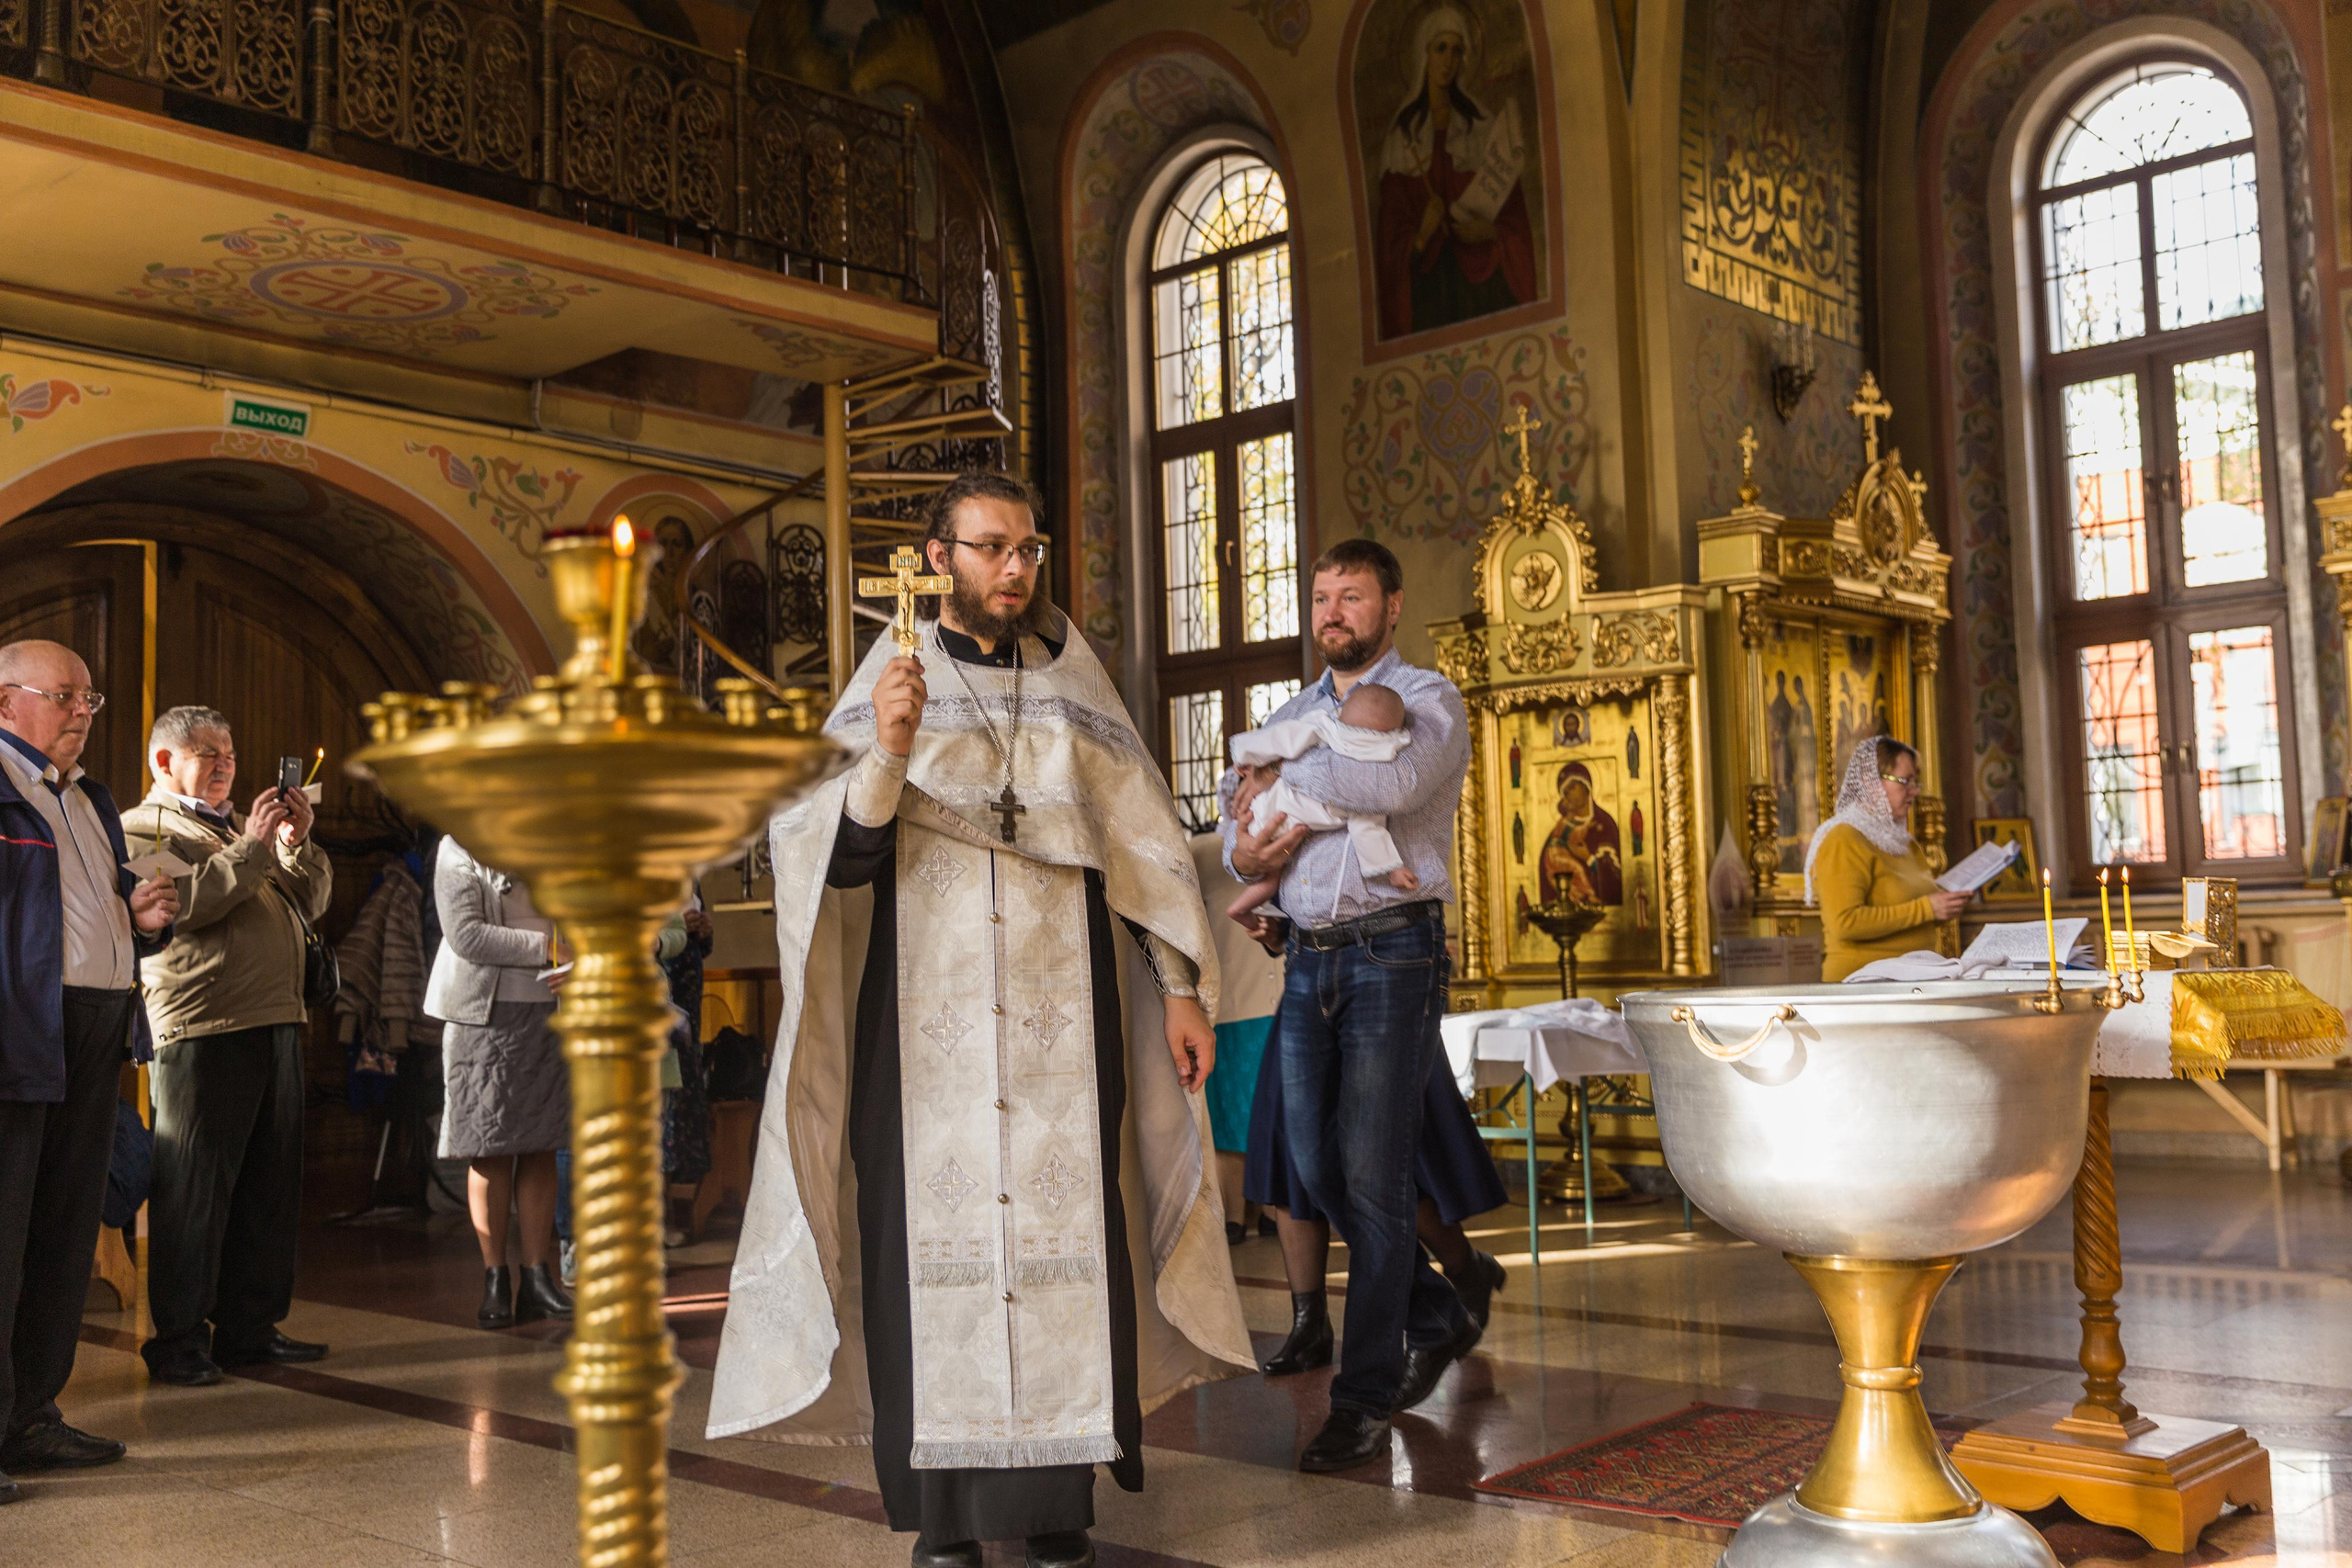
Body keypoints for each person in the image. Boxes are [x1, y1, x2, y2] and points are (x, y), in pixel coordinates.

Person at [708, 471, 1251, 1568]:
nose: (1014, 569)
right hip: (922, 1036)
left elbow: (1139, 856)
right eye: (991, 548)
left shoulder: (1075, 692)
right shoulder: (886, 685)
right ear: (937, 557)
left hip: (1064, 1033)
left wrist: (1182, 991)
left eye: (1027, 549)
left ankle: (1056, 1513)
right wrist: (893, 752)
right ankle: (947, 1523)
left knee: (1068, 1238)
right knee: (928, 1251)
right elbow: (838, 865)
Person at [1221, 537, 1476, 1474]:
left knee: (1371, 1176)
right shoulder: (1289, 712)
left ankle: (1362, 1398)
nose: (1332, 612)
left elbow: (1391, 781)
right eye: (1322, 597)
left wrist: (1275, 789)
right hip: (1301, 959)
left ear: (1391, 605)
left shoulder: (1429, 701)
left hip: (1392, 952)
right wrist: (1243, 857)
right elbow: (1229, 828)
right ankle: (1434, 1305)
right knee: (1314, 1164)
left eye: (1352, 597)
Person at [0, 640, 178, 1501]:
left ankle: (30, 1416)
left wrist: (140, 916)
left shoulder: (92, 799)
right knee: (4, 1238)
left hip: (96, 1029)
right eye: (63, 695)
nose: (81, 711)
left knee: (64, 1234)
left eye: (88, 697)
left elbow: (98, 908)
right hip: (18, 1033)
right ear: (6, 704)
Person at [122, 705, 333, 1385]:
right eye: (208, 753)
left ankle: (250, 1328)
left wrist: (295, 842)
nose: (225, 765)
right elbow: (185, 902)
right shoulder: (142, 826)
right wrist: (252, 845)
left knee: (269, 1186)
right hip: (203, 1026)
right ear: (164, 762)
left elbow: (312, 900)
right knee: (194, 1191)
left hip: (274, 1017)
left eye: (231, 754)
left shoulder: (239, 830)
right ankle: (179, 1338)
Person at [424, 838, 574, 1330]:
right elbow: (467, 935)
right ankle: (495, 1277)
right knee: (489, 1147)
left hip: (549, 1013)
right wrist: (550, 947)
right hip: (483, 1019)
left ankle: (536, 1277)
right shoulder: (457, 846)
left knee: (541, 1146)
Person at [1374, 6, 1535, 338]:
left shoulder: (1482, 126)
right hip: (1431, 292)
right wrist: (1420, 236)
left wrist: (1490, 232)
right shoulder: (1402, 137)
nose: (1449, 60)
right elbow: (1390, 241)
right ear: (1424, 54)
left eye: (1457, 50)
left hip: (1483, 285)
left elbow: (1514, 214)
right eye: (1440, 48)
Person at [1225, 682, 1417, 924]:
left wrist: (1248, 754)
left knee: (1273, 872)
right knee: (1272, 875)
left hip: (1269, 807)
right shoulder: (1376, 762)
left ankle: (1241, 909)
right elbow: (1366, 827)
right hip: (1278, 819)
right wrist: (1392, 869)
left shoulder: (1326, 726)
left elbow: (1283, 738)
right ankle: (1240, 909)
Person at [1807, 737, 1970, 982]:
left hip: (1912, 980)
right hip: (1862, 985)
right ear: (1870, 783)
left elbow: (1912, 915)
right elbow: (1845, 922)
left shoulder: (1904, 844)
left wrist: (1943, 908)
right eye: (1905, 781)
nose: (1914, 791)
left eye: (1916, 782)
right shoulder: (1843, 838)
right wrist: (1927, 908)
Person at [1538, 761, 1623, 906]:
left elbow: (1618, 876)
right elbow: (1545, 875)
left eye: (1572, 788)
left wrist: (1589, 858)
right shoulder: (1562, 827)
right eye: (1565, 792)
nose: (1568, 794)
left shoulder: (1605, 824)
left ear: (1587, 788)